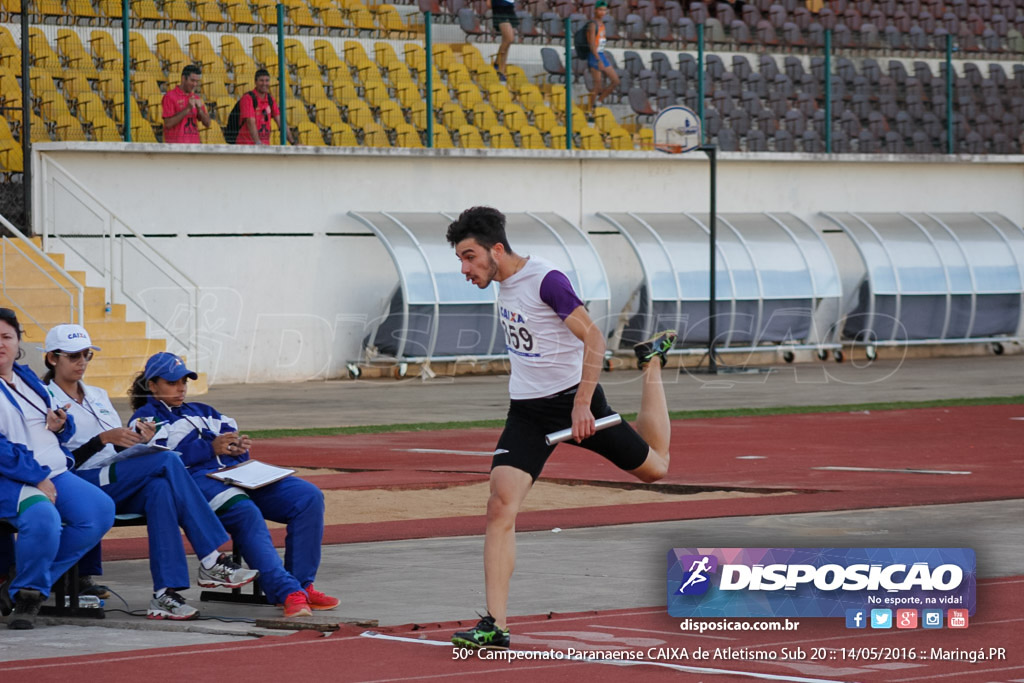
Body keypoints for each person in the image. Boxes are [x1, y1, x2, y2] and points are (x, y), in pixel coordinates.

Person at [445, 207, 675, 650]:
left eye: (470, 257)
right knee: (500, 505)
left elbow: (594, 337)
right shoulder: (503, 283)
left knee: (656, 469)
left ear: (496, 249)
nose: (464, 268)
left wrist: (583, 404)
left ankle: (652, 365)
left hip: (576, 403)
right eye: (460, 258)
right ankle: (495, 625)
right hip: (528, 414)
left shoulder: (546, 280)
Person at [43, 324, 259, 620]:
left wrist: (137, 440)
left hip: (112, 475)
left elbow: (114, 447)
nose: (82, 361)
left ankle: (164, 594)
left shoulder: (97, 394)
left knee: (160, 490)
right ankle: (210, 557)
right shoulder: (43, 398)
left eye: (87, 354)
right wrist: (103, 440)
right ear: (52, 359)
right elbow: (56, 460)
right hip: (79, 481)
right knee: (168, 462)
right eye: (73, 355)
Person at [128, 353, 338, 618]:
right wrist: (208, 448)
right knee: (244, 510)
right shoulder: (144, 419)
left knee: (309, 497)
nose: (181, 387)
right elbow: (160, 462)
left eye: (184, 380)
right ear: (152, 385)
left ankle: (302, 585)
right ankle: (286, 591)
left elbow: (229, 440)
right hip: (195, 483)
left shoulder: (204, 410)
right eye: (172, 382)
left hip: (236, 473)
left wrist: (237, 449)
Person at [0, 308, 114, 629]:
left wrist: (61, 424)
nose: (1, 344)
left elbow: (62, 421)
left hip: (53, 471)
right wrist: (36, 477)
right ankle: (30, 596)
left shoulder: (27, 379)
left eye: (6, 337)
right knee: (43, 515)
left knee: (100, 510)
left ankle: (23, 583)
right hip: (12, 477)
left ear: (18, 341)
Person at [235, 69, 295, 146]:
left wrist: (293, 143)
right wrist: (258, 143)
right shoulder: (248, 98)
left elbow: (280, 122)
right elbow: (250, 122)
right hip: (246, 146)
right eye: (261, 80)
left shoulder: (270, 99)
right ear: (255, 82)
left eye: (267, 80)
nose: (264, 83)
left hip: (264, 147)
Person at [162, 64, 211, 144]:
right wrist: (187, 109)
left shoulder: (196, 98)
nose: (195, 84)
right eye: (192, 80)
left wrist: (200, 110)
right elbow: (168, 124)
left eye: (197, 81)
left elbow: (208, 123)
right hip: (176, 147)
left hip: (194, 146)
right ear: (183, 78)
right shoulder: (170, 96)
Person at [586, 1, 620, 111]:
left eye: (604, 10)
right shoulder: (592, 25)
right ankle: (590, 110)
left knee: (615, 81)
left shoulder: (602, 25)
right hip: (594, 56)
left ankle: (599, 101)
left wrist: (603, 56)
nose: (602, 12)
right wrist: (598, 59)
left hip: (601, 54)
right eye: (600, 10)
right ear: (595, 10)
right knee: (598, 86)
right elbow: (591, 44)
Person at [491, 0, 518, 82]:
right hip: (500, 6)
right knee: (509, 38)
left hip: (510, 6)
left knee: (507, 41)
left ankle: (501, 70)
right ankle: (497, 63)